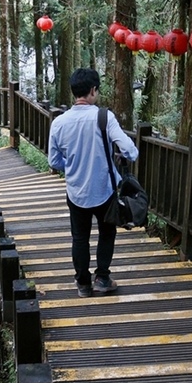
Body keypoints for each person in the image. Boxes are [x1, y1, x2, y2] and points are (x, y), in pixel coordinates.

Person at [48, 68, 138, 298]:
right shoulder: (104, 117)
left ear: (73, 91)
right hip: (104, 190)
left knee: (79, 237)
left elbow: (54, 161)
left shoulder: (59, 122)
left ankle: (83, 284)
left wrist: (74, 164)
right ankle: (103, 278)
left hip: (76, 190)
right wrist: (126, 156)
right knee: (107, 233)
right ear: (93, 90)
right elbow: (129, 150)